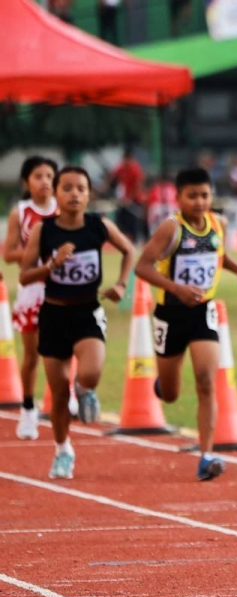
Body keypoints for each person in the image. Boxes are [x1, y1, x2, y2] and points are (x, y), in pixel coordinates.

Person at [19, 166, 134, 478]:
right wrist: (52, 264)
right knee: (57, 394)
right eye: (67, 188)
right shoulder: (45, 230)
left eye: (81, 188)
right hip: (54, 314)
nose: (74, 194)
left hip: (87, 312)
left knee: (91, 372)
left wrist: (122, 284)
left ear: (89, 194)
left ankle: (85, 390)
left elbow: (128, 250)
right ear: (56, 193)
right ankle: (62, 449)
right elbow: (24, 274)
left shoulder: (98, 226)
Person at [135, 167, 237, 481]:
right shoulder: (170, 229)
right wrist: (176, 289)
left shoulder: (218, 223)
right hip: (170, 314)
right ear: (179, 197)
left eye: (204, 195)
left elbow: (219, 256)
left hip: (202, 312)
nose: (199, 202)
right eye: (192, 196)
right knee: (170, 393)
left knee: (206, 381)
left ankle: (207, 454)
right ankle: (163, 383)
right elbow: (142, 267)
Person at [3, 156, 58, 441]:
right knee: (33, 353)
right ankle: (27, 408)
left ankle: (68, 392)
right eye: (38, 176)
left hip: (62, 287)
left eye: (50, 176)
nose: (45, 181)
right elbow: (8, 253)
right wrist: (33, 256)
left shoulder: (64, 209)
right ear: (27, 182)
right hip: (33, 288)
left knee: (64, 344)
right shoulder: (21, 212)